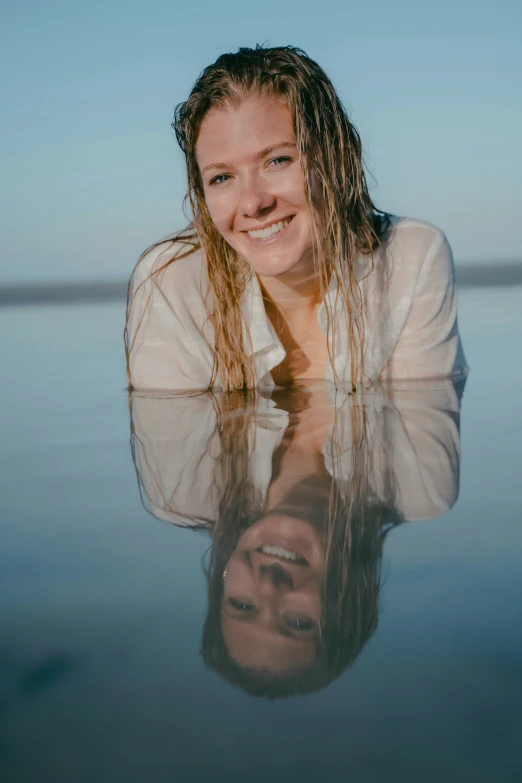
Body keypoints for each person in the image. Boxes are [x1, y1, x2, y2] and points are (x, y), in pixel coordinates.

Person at [125, 46, 468, 393]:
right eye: (221, 178)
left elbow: (422, 436)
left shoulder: (408, 260)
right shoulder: (171, 283)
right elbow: (172, 444)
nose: (252, 203)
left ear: (335, 159)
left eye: (277, 160)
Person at [129, 379, 464, 697]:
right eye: (299, 622)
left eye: (241, 605)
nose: (270, 587)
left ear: (223, 577)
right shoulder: (419, 483)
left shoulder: (181, 485)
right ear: (347, 601)